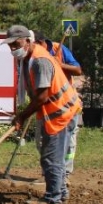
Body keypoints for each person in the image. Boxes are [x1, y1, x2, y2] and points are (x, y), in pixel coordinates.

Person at [2, 25, 80, 204]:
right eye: (10, 45)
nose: (13, 48)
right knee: (54, 158)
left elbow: (42, 97)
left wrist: (22, 115)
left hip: (60, 113)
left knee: (51, 158)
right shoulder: (30, 58)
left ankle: (52, 199)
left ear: (28, 41)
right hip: (55, 112)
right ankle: (60, 193)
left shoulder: (39, 61)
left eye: (16, 43)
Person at [34, 31, 83, 181]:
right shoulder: (35, 56)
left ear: (41, 43)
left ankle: (64, 173)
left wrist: (58, 64)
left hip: (65, 105)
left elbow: (78, 70)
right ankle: (49, 173)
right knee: (41, 141)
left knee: (68, 142)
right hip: (45, 106)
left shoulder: (59, 49)